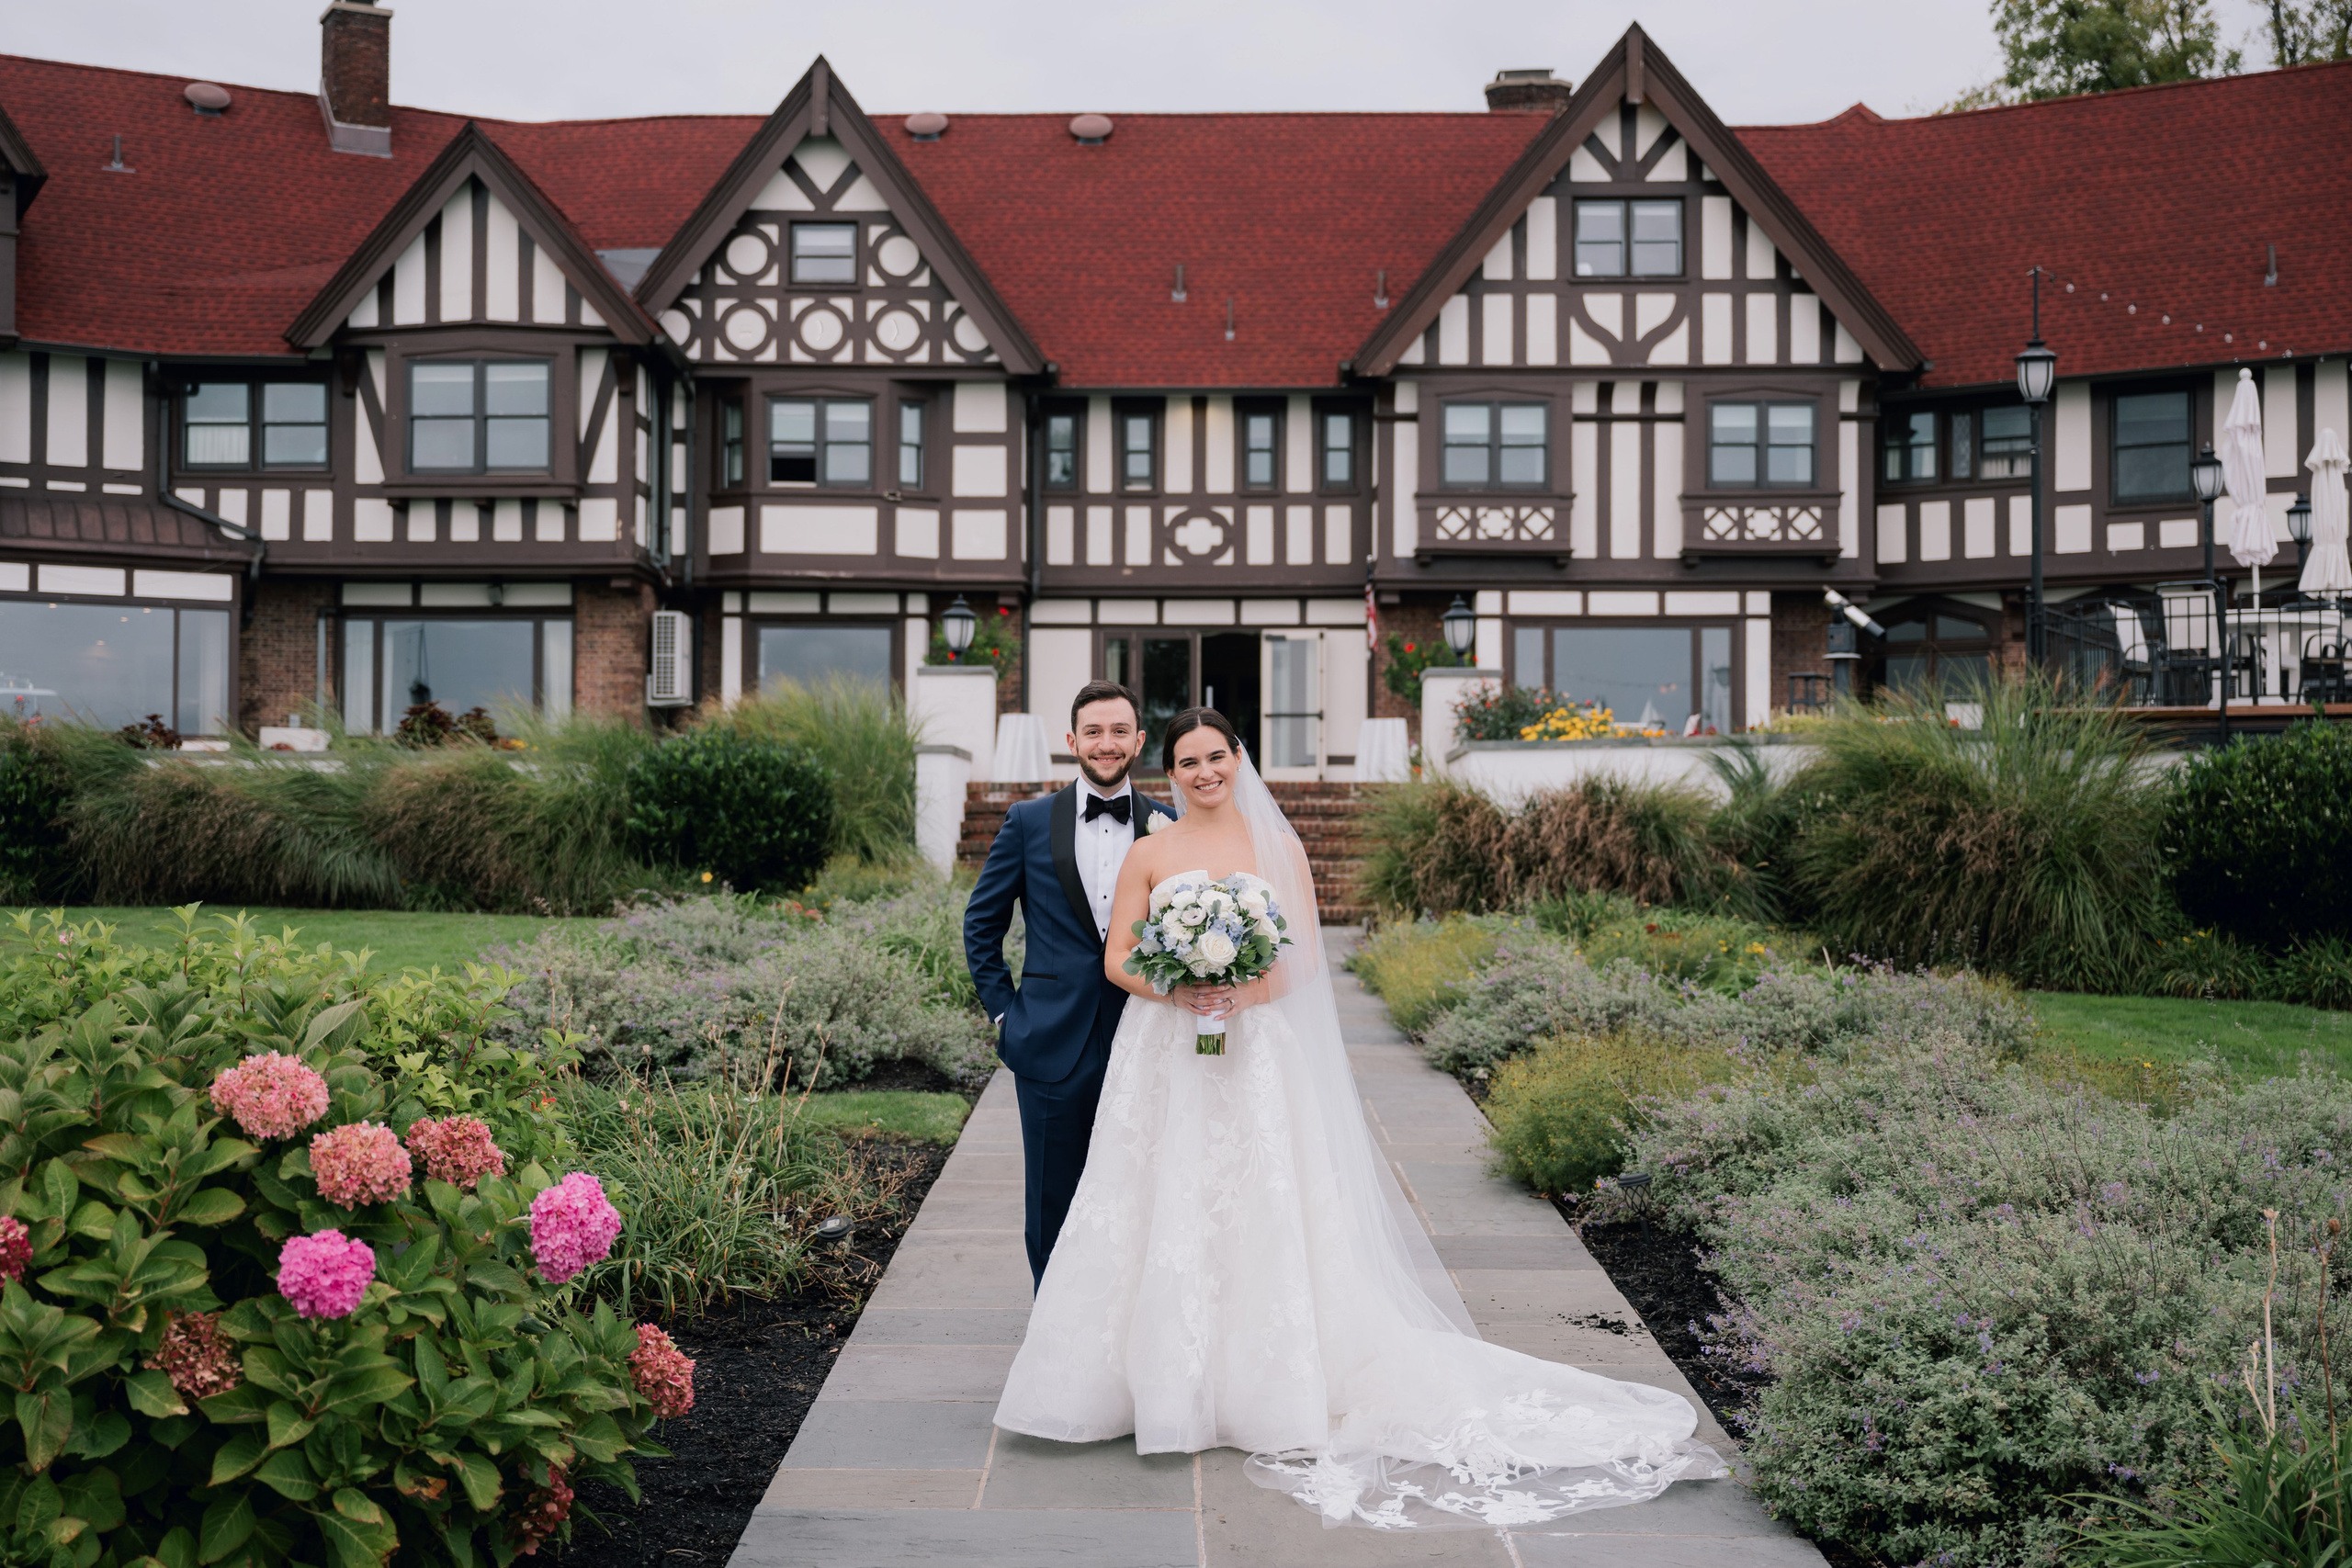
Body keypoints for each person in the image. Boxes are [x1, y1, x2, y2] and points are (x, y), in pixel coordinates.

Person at [991, 707, 1724, 1529]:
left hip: (1256, 1053)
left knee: (1265, 1201)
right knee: (1155, 1199)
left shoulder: (1280, 848)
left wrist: (1237, 990)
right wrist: (1180, 984)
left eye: (1216, 756)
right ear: (1171, 772)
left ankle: (1264, 1382)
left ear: (1239, 759)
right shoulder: (1150, 850)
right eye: (1188, 761)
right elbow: (1118, 956)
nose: (1204, 772)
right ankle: (1149, 1378)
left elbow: (1301, 954)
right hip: (1164, 1053)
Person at [964, 681, 1177, 1288]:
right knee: (1052, 1198)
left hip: (1148, 1035)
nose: (1105, 744)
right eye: (1093, 731)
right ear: (1071, 741)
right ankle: (1053, 1336)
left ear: (1138, 740)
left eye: (1118, 731)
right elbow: (982, 922)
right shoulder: (1029, 820)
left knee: (1146, 1192)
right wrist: (1006, 1013)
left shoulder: (1170, 824)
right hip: (1050, 1040)